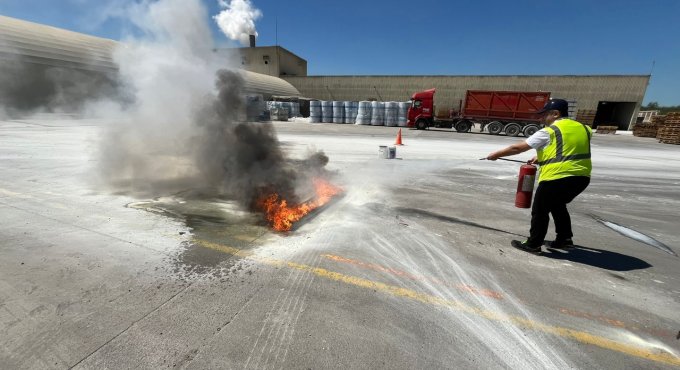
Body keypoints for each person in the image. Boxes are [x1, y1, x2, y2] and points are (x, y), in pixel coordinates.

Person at [486, 99, 592, 254]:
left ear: (555, 114)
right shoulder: (584, 128)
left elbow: (517, 148)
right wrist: (540, 157)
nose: (541, 118)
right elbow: (570, 147)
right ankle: (564, 239)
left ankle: (533, 244)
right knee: (558, 205)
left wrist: (496, 154)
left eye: (544, 115)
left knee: (540, 210)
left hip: (557, 178)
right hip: (581, 178)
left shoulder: (549, 131)